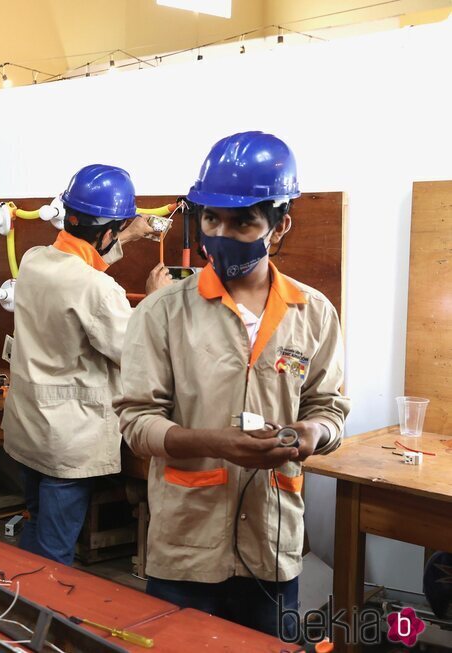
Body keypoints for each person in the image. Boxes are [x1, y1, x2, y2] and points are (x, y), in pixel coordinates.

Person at [115, 132, 350, 638]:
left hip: (273, 541)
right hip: (185, 546)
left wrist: (310, 436)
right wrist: (213, 443)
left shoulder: (313, 314)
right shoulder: (162, 312)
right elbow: (136, 423)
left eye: (243, 221)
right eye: (211, 218)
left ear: (280, 224)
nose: (221, 233)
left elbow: (330, 409)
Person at [2, 164, 172, 565]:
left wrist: (125, 233)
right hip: (67, 437)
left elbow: (77, 271)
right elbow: (134, 349)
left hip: (29, 426)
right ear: (107, 230)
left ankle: (15, 614)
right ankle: (43, 620)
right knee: (56, 551)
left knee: (36, 528)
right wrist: (154, 299)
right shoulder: (97, 288)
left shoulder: (32, 260)